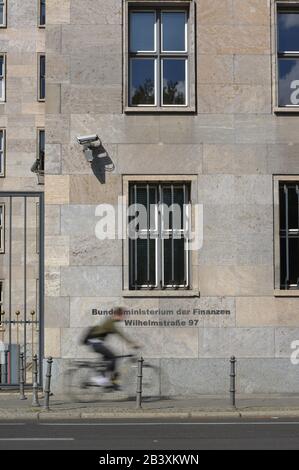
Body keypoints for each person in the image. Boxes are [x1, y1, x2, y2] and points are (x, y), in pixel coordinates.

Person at [84, 307, 139, 387]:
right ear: (118, 315)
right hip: (96, 343)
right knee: (113, 357)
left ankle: (111, 382)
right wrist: (131, 343)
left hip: (96, 343)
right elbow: (120, 334)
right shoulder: (110, 323)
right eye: (123, 316)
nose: (123, 318)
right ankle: (103, 378)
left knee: (109, 359)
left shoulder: (110, 321)